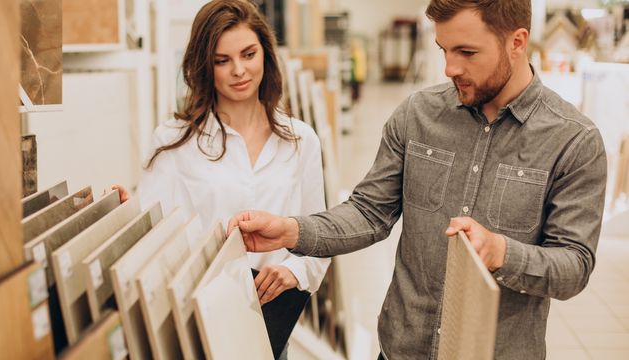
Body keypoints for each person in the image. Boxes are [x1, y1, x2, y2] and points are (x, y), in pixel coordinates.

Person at [227, 0, 607, 359]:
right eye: (444, 50)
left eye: (467, 52)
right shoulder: (418, 115)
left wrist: (501, 253)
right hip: (401, 348)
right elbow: (369, 212)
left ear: (517, 42)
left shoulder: (573, 141)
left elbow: (573, 266)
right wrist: (292, 231)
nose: (449, 68)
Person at [114, 0, 329, 358]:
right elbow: (156, 239)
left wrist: (293, 271)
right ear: (204, 66)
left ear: (266, 54)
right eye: (222, 60)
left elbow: (319, 237)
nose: (239, 71)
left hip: (271, 321)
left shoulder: (300, 140)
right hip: (199, 323)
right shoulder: (173, 141)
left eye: (248, 54)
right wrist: (126, 217)